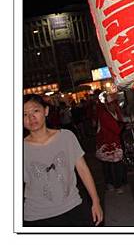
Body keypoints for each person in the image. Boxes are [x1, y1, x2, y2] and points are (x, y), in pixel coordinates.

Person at [23, 94, 103, 226]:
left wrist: (95, 201)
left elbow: (83, 169)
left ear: (46, 111)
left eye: (35, 111)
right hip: (37, 216)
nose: (31, 118)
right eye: (24, 114)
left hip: (73, 208)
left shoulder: (66, 137)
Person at [95, 92, 127, 194]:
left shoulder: (115, 112)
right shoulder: (104, 115)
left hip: (114, 142)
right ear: (107, 105)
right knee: (109, 165)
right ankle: (113, 184)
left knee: (115, 164)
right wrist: (123, 125)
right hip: (106, 143)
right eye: (112, 104)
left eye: (115, 103)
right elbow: (116, 129)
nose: (115, 105)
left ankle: (117, 183)